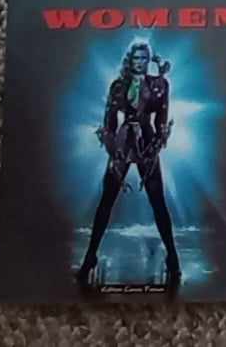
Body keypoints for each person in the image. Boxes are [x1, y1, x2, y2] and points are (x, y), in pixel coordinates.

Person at [78, 41, 179, 289]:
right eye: (136, 58)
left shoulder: (159, 85)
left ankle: (173, 257)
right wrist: (113, 149)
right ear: (130, 60)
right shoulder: (118, 86)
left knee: (158, 201)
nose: (140, 62)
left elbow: (162, 120)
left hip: (146, 143)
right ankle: (90, 257)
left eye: (144, 58)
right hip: (123, 143)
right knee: (107, 200)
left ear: (148, 60)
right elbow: (109, 121)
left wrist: (156, 144)